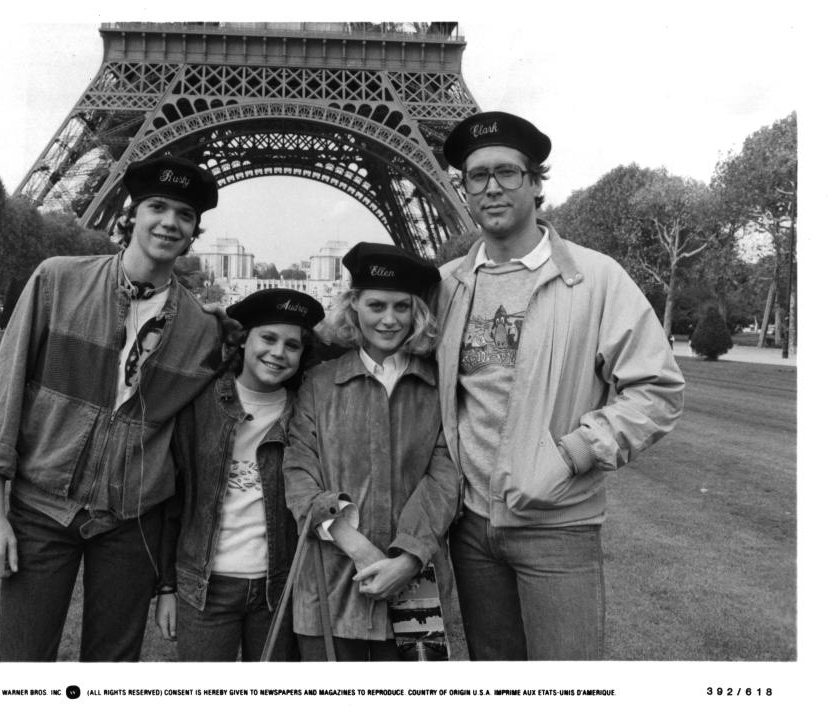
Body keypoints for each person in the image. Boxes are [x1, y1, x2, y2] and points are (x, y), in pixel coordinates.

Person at [434, 111, 685, 660]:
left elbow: (657, 390)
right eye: (478, 176)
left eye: (507, 172)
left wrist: (571, 454)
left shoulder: (595, 277)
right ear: (465, 189)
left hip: (556, 526)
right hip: (470, 527)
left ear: (535, 182)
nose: (492, 186)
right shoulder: (448, 284)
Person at [0, 155, 223, 661]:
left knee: (111, 673)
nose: (169, 222)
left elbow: (285, 355)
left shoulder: (205, 331)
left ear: (195, 231)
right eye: (157, 206)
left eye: (185, 215)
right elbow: (3, 398)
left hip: (132, 522)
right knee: (21, 666)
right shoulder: (56, 280)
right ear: (132, 214)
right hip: (41, 510)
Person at [282, 243, 463, 662]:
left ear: (417, 313)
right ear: (354, 306)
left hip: (417, 582)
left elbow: (445, 477)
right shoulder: (318, 384)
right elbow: (299, 472)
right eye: (376, 304)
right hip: (329, 581)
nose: (389, 319)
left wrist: (407, 559)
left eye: (402, 307)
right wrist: (356, 544)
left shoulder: (439, 386)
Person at [155, 288, 325, 662]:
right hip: (204, 586)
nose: (278, 353)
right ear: (242, 339)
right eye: (267, 338)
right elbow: (173, 500)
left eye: (293, 345)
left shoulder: (307, 412)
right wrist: (166, 588)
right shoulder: (199, 403)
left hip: (278, 589)